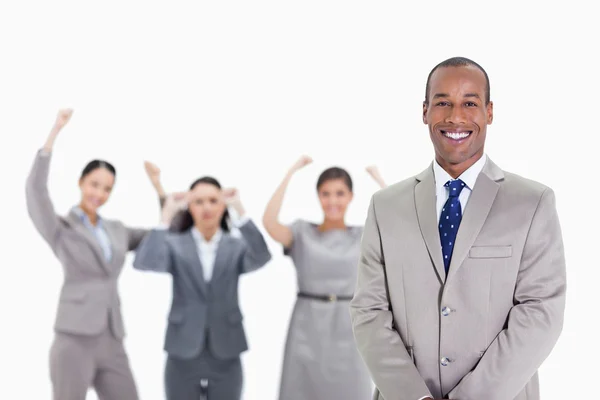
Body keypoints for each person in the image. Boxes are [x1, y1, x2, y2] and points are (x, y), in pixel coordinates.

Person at [350, 57, 566, 400]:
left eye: (469, 102)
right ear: (424, 112)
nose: (455, 116)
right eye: (443, 103)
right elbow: (369, 312)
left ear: (489, 112)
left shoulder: (532, 203)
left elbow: (541, 312)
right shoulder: (385, 206)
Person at [25, 109, 149, 400]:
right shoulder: (60, 228)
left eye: (107, 189)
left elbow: (157, 237)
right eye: (95, 185)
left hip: (112, 337)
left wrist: (160, 191)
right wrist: (53, 135)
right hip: (74, 337)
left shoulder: (117, 230)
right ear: (81, 182)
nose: (100, 193)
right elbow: (35, 191)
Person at [133, 176, 272, 400]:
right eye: (198, 201)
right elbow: (145, 262)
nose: (206, 207)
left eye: (213, 200)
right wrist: (166, 217)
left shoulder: (235, 245)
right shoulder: (175, 244)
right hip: (182, 349)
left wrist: (240, 211)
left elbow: (262, 256)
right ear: (189, 206)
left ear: (223, 205)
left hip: (226, 349)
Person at [262, 156, 387, 400]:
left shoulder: (363, 236)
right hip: (306, 327)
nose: (332, 201)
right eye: (326, 193)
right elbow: (269, 222)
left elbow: (399, 224)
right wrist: (290, 172)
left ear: (350, 196)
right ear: (318, 196)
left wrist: (379, 180)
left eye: (339, 193)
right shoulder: (301, 233)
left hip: (349, 328)